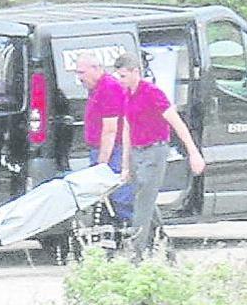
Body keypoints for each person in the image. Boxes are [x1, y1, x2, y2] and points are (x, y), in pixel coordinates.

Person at [114, 52, 206, 259]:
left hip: (154, 150)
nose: (120, 80)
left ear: (135, 72)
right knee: (144, 199)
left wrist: (193, 153)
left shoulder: (152, 93)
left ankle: (136, 255)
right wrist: (125, 165)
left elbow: (177, 123)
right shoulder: (127, 94)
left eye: (123, 76)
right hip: (137, 152)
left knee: (142, 202)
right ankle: (167, 252)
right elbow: (127, 128)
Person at [75, 52, 133, 222]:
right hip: (100, 148)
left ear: (96, 69)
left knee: (119, 196)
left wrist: (102, 163)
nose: (79, 78)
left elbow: (110, 130)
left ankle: (137, 235)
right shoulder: (95, 88)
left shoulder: (109, 88)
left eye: (81, 73)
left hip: (113, 150)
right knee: (105, 199)